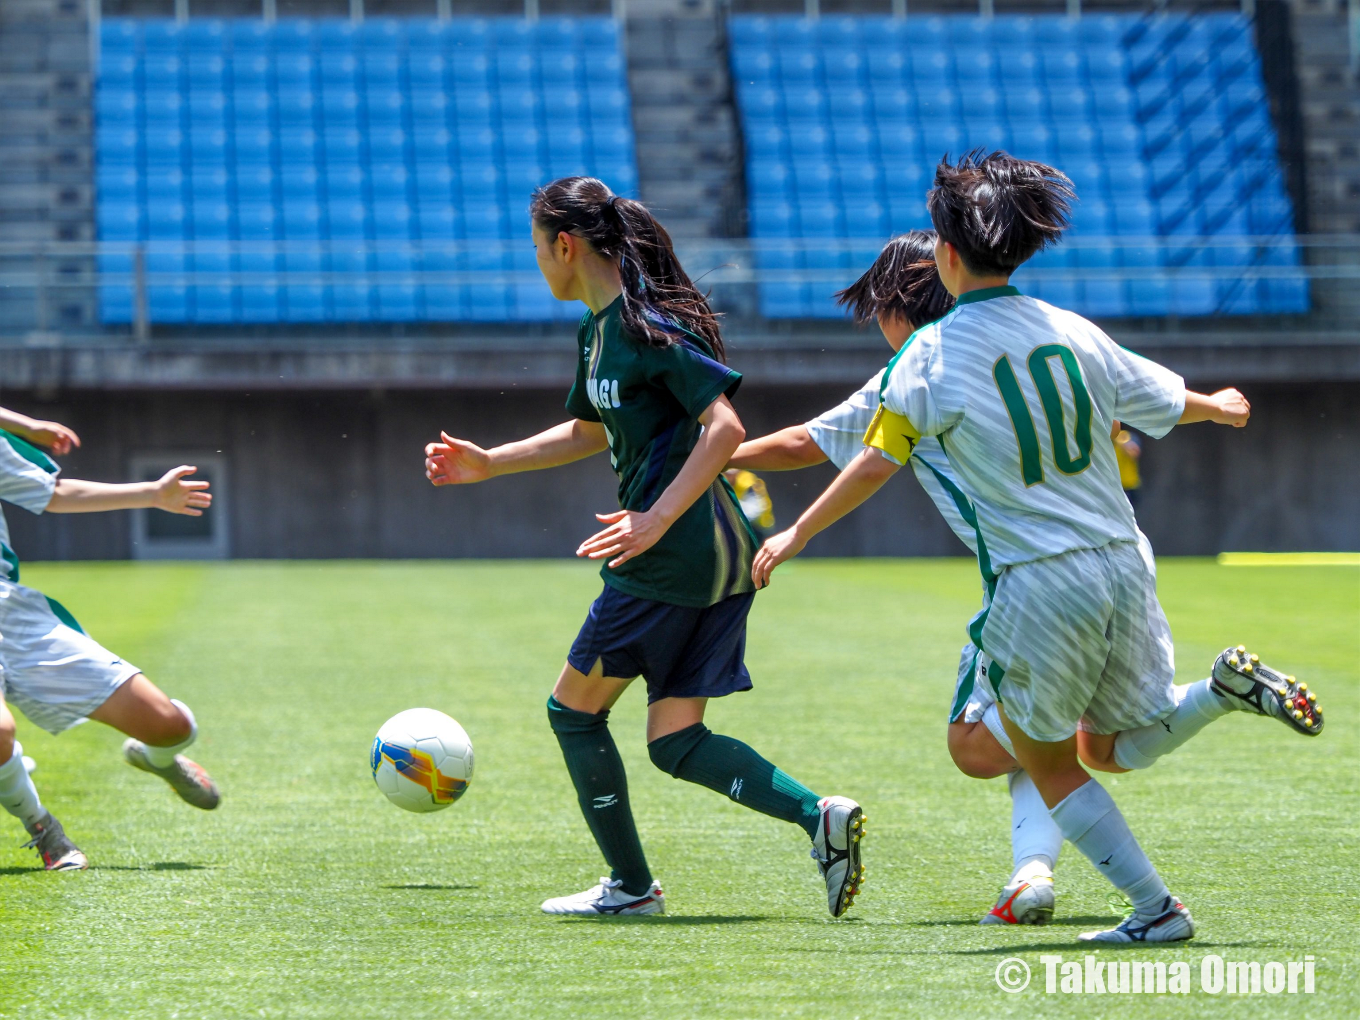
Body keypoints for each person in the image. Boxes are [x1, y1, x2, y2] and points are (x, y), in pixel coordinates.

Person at [749, 152, 1324, 943]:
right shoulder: (1069, 327)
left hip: (1039, 580)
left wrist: (796, 529)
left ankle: (1155, 910)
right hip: (1124, 561)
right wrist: (1218, 406)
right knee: (1112, 746)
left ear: (947, 257)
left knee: (1036, 756)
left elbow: (879, 456)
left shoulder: (930, 355)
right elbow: (1158, 396)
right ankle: (1219, 691)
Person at [423, 177, 865, 918]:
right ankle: (818, 817)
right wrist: (491, 461)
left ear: (565, 246)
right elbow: (590, 429)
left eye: (537, 248)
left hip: (675, 551)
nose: (536, 262)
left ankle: (631, 890)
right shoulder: (599, 331)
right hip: (715, 553)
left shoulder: (640, 323)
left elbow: (723, 428)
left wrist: (655, 518)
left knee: (573, 712)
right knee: (675, 739)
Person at [729, 230, 1064, 925]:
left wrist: (706, 462)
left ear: (891, 308)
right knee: (1038, 730)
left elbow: (810, 445)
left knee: (977, 745)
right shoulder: (1021, 346)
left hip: (1022, 582)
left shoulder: (915, 369)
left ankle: (1208, 696)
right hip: (1104, 560)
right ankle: (1033, 872)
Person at [0, 407, 221, 872]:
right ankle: (43, 828)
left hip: (12, 616)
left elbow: (54, 494)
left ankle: (157, 759)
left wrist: (154, 494)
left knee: (170, 727)